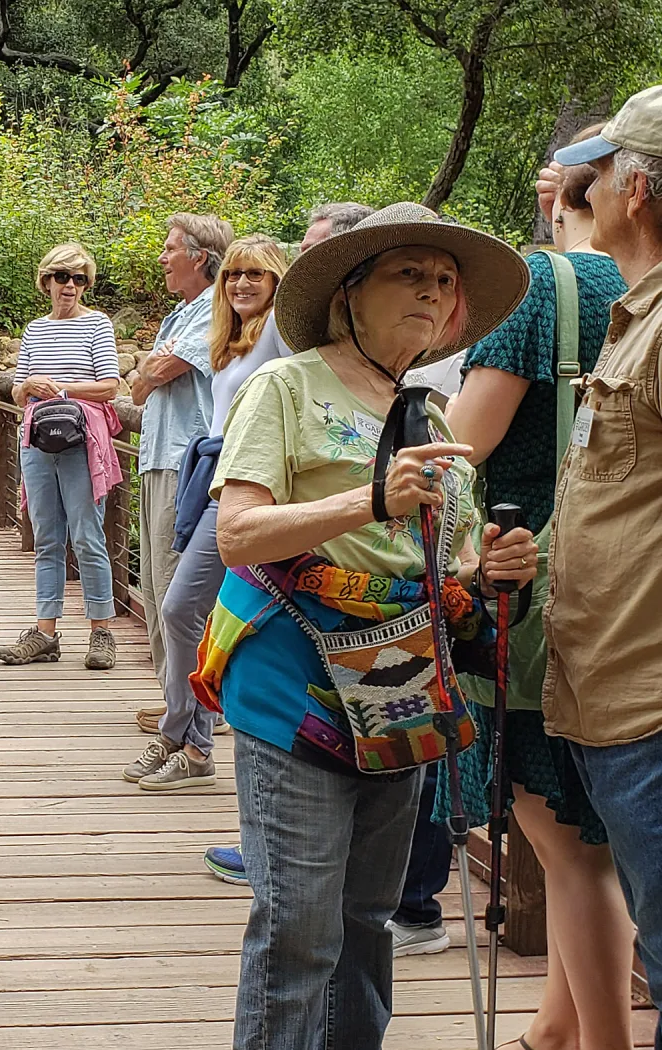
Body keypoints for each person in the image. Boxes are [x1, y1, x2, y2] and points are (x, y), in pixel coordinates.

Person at [193, 202, 536, 1049]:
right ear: (350, 292)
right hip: (294, 683)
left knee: (366, 924)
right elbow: (237, 534)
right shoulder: (287, 385)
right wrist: (370, 496)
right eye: (407, 274)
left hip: (398, 694)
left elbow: (433, 567)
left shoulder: (431, 414)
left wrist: (484, 571)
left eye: (444, 282)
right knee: (301, 927)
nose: (431, 293)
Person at [443, 125, 635, 1050]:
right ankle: (555, 1023)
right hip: (628, 596)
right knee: (585, 834)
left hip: (536, 590)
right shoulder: (638, 291)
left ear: (570, 190)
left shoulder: (538, 288)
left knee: (565, 843)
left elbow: (462, 449)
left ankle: (598, 1037)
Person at [544, 83, 662, 1049]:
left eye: (604, 164)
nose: (586, 182)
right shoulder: (636, 316)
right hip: (615, 698)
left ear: (639, 188)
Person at [123, 236, 288, 791]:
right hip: (217, 481)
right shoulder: (233, 335)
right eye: (234, 274)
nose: (241, 283)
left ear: (276, 282)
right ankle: (192, 744)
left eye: (256, 276)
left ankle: (182, 739)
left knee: (182, 607)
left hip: (252, 488)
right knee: (186, 609)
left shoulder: (278, 332)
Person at [0, 242, 122, 670]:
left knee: (87, 534)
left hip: (81, 439)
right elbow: (17, 391)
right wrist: (31, 385)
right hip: (37, 438)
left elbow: (110, 386)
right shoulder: (34, 330)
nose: (70, 286)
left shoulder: (97, 325)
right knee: (46, 537)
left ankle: (102, 631)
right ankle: (45, 632)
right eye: (62, 277)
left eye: (79, 279)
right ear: (46, 281)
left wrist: (63, 389)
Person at [129, 214, 233, 696]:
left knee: (176, 587)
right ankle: (170, 696)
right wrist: (150, 372)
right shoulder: (176, 316)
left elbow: (160, 371)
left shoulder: (215, 306)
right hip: (155, 458)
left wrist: (151, 370)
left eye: (170, 249)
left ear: (199, 256)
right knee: (151, 584)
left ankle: (195, 707)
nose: (162, 257)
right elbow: (137, 390)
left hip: (184, 462)